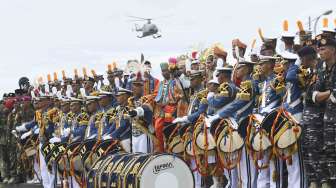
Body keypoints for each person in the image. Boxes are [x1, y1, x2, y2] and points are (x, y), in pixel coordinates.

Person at [298, 46, 324, 188]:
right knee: (306, 150)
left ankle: (322, 181)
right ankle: (313, 180)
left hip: (318, 118)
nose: (301, 61)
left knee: (317, 150)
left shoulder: (322, 70)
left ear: (309, 57)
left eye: (302, 58)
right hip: (307, 118)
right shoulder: (310, 73)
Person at [312, 37, 336, 188]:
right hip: (328, 122)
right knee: (330, 156)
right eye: (319, 49)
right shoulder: (322, 70)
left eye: (323, 49)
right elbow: (313, 95)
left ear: (333, 50)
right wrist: (330, 93)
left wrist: (323, 95)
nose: (320, 52)